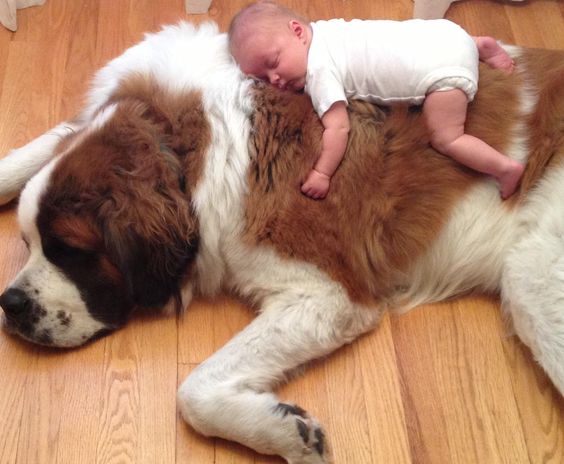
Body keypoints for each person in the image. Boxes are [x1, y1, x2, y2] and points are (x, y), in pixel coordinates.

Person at [228, 1, 524, 200]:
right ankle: (479, 46)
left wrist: (322, 172)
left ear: (297, 32)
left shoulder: (319, 71)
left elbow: (339, 129)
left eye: (274, 62)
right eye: (264, 78)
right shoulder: (326, 30)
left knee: (446, 137)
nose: (275, 80)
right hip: (446, 35)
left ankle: (504, 168)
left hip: (441, 74)